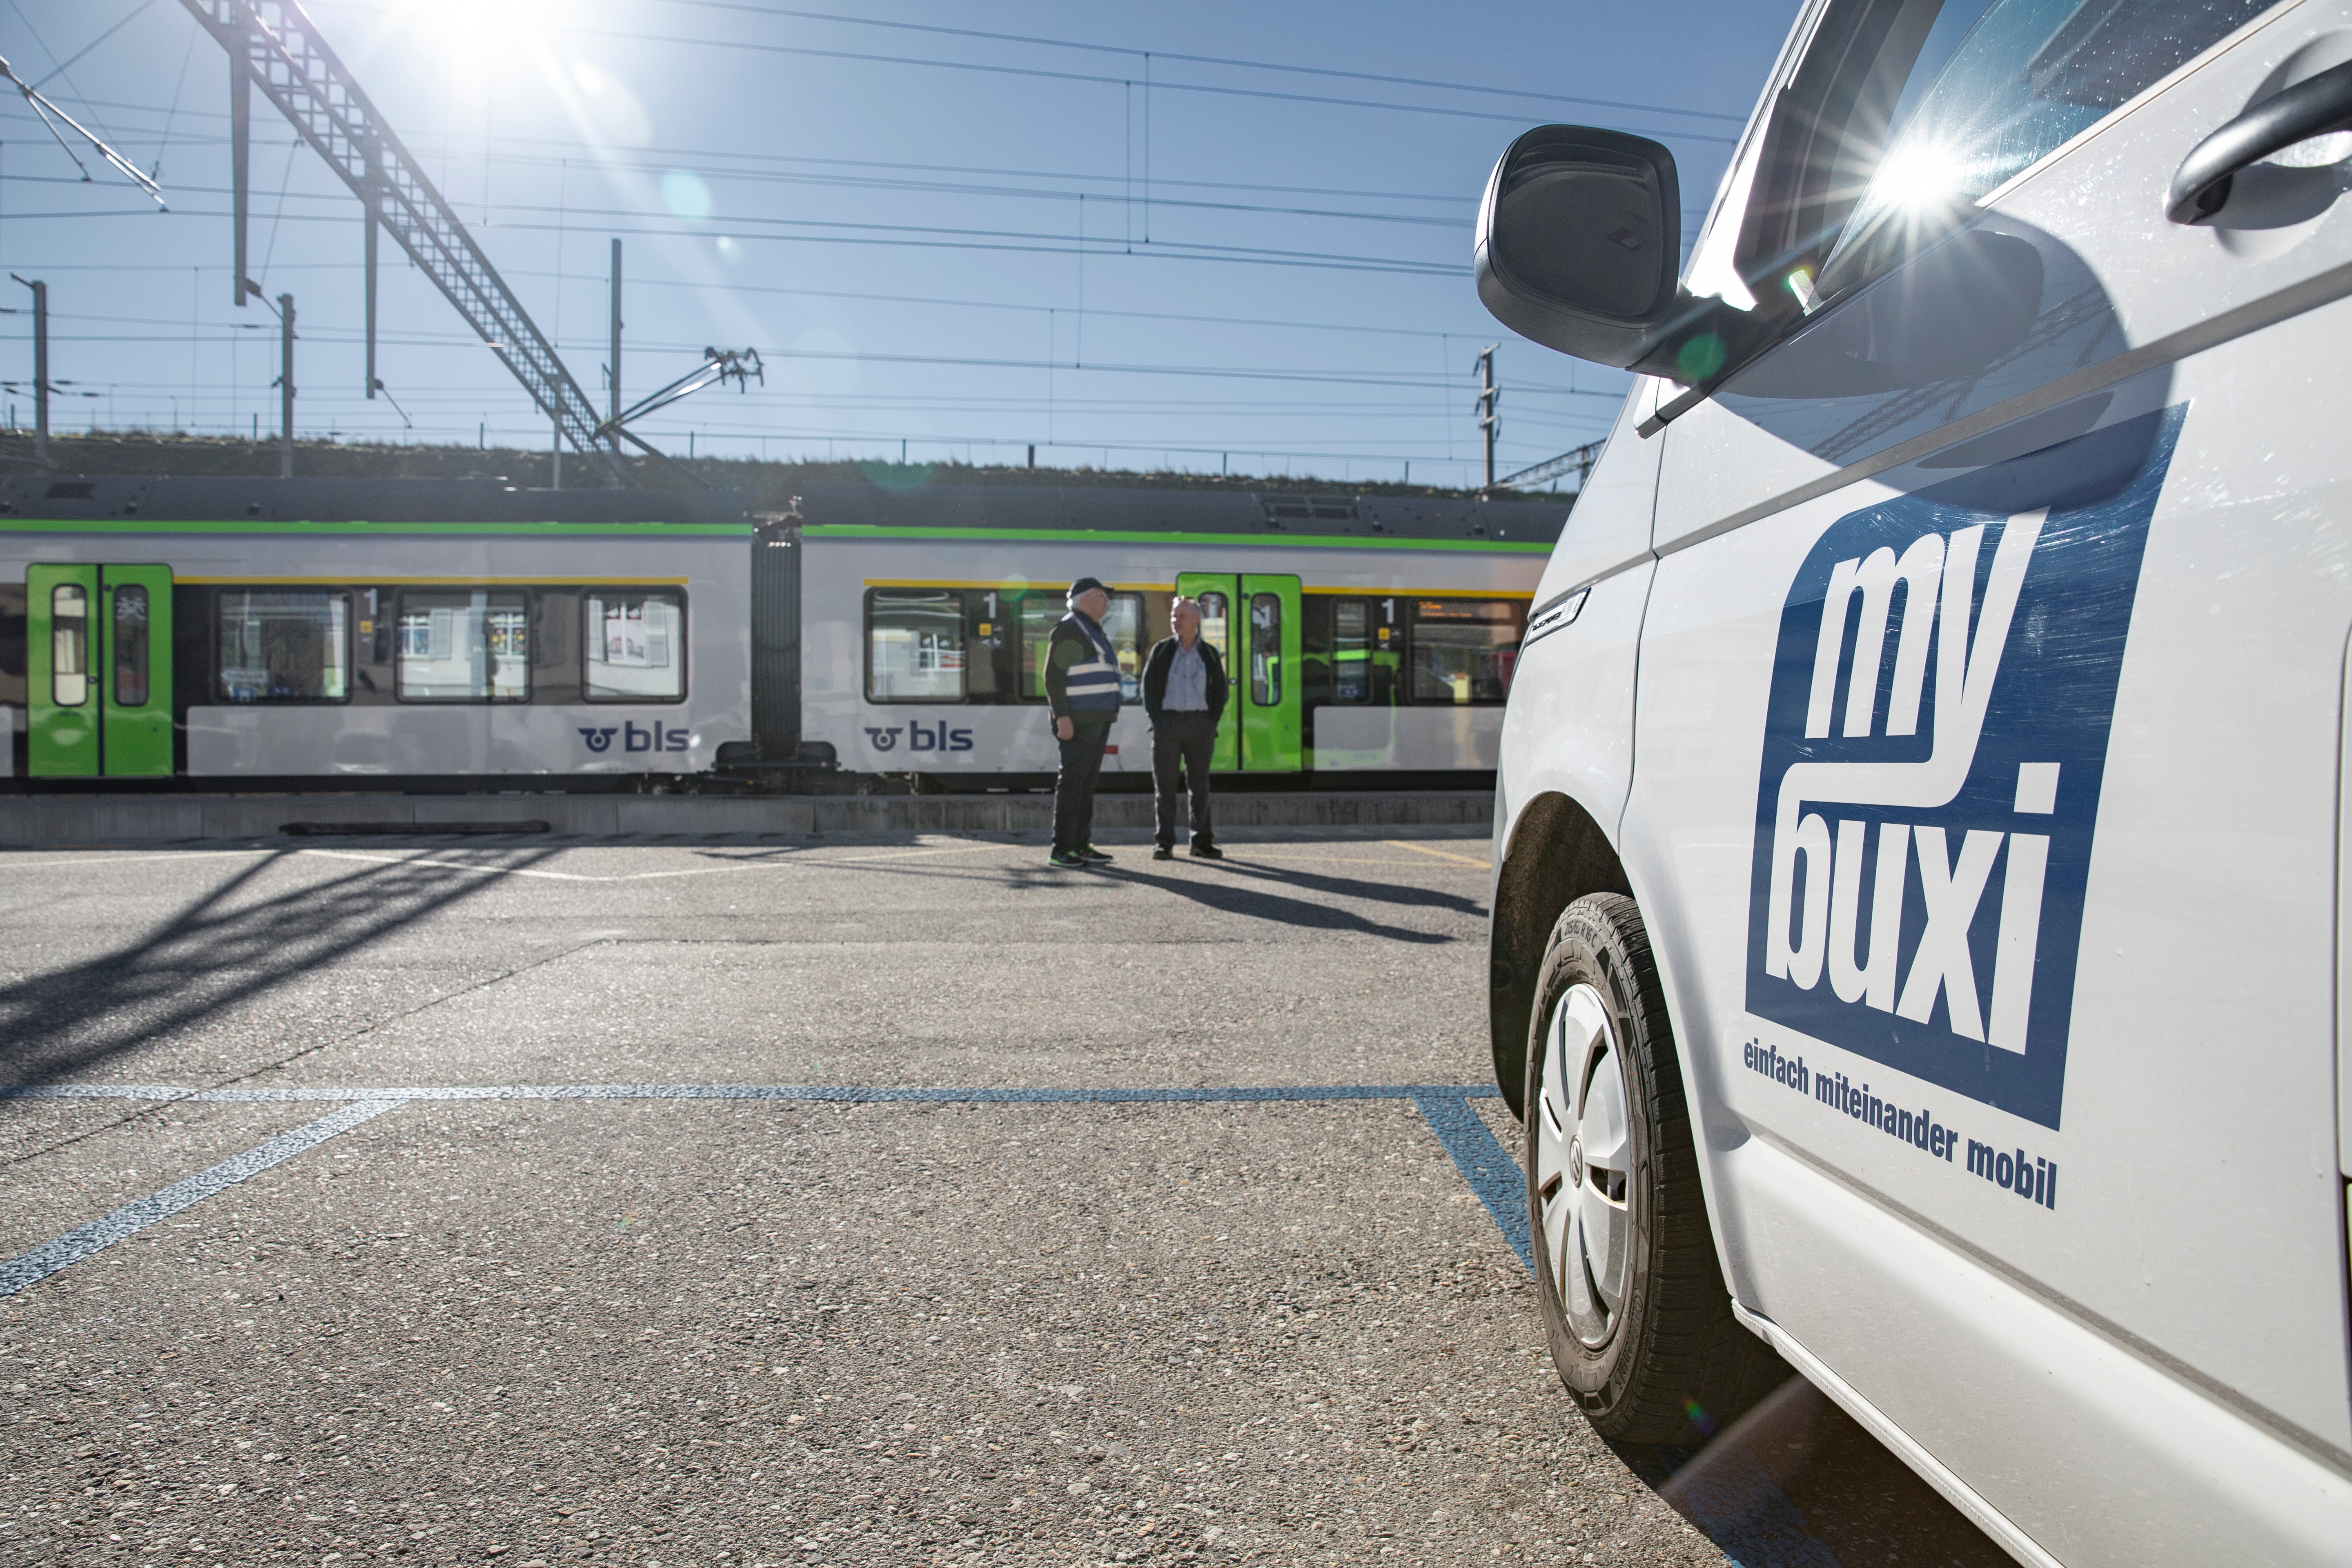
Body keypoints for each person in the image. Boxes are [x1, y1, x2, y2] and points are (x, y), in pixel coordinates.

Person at [1043, 576, 1125, 869]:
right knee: (1073, 784)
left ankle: (1080, 844)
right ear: (1086, 599)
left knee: (1086, 784)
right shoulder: (1070, 629)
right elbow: (1054, 676)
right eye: (1102, 596)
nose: (1107, 601)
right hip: (1079, 719)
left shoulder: (1090, 629)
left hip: (1096, 718)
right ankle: (1062, 849)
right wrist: (1062, 718)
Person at [1141, 597, 1228, 861]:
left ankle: (1201, 842)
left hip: (1200, 726)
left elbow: (1221, 691)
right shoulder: (1162, 651)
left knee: (1200, 786)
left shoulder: (1209, 653)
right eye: (1173, 616)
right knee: (1165, 787)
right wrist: (1158, 721)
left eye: (1181, 616)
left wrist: (1211, 722)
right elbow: (1148, 688)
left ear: (1196, 620)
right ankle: (1164, 843)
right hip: (1168, 725)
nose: (1175, 621)